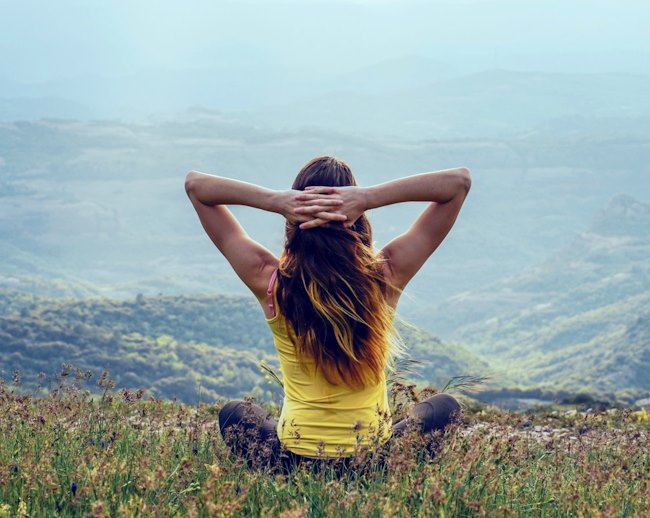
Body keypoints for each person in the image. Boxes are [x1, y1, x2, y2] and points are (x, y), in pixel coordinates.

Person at [184, 156, 471, 471]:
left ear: (294, 216)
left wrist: (275, 201)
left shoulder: (270, 281)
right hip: (372, 464)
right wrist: (367, 198)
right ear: (356, 217)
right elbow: (458, 183)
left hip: (292, 463)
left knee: (233, 413)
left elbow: (196, 187)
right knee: (445, 407)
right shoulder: (385, 276)